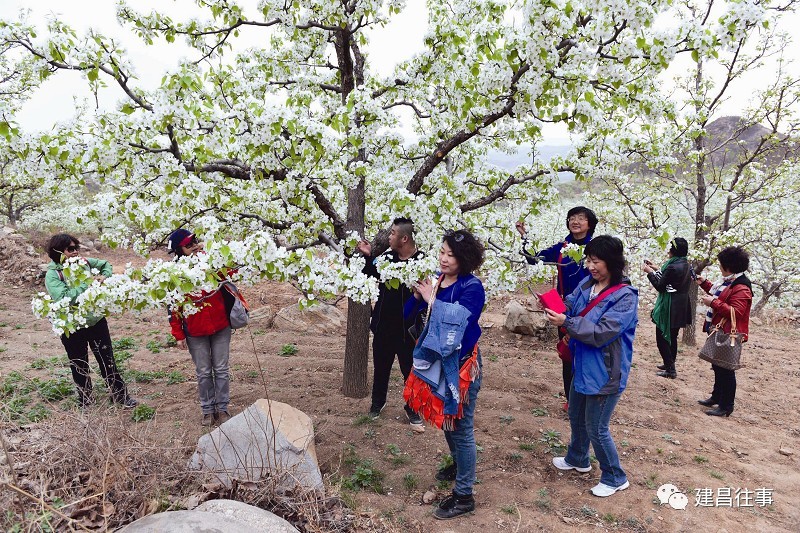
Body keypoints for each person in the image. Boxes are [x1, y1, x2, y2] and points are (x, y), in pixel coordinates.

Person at [543, 235, 638, 497]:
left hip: (605, 371)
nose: (590, 266)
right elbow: (571, 304)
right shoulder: (588, 283)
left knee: (597, 427)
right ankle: (578, 458)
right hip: (582, 364)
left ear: (612, 263)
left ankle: (615, 476)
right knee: (576, 414)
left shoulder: (625, 297)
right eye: (589, 260)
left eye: (596, 261)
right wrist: (552, 306)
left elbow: (602, 333)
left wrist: (567, 322)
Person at [403, 229, 486, 520]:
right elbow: (406, 315)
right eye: (442, 252)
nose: (444, 258)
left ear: (465, 258)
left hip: (462, 367)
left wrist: (431, 301)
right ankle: (458, 465)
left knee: (461, 428)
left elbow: (460, 322)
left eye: (451, 254)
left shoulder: (472, 287)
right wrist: (417, 297)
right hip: (439, 365)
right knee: (446, 421)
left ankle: (465, 496)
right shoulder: (437, 281)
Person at [516, 206, 598, 409]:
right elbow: (534, 258)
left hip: (592, 308)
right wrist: (525, 237)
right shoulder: (562, 247)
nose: (575, 221)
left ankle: (589, 399)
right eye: (572, 218)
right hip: (564, 308)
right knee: (568, 353)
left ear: (590, 224)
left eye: (581, 218)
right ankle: (572, 401)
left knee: (588, 353)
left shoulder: (597, 248)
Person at [44, 234, 137, 409]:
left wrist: (104, 276)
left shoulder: (83, 262)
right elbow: (63, 297)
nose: (75, 252)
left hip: (95, 321)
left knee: (107, 360)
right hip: (72, 326)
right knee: (79, 364)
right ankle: (86, 400)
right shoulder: (53, 274)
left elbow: (104, 265)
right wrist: (87, 284)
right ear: (58, 251)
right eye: (70, 249)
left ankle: (120, 395)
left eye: (76, 248)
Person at [357, 217, 425, 432]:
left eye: (393, 233)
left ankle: (412, 408)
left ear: (404, 238)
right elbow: (370, 274)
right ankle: (377, 404)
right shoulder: (386, 258)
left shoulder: (422, 263)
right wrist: (368, 258)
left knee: (410, 371)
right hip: (384, 325)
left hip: (409, 330)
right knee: (381, 367)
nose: (389, 236)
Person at [167, 229, 232, 426]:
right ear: (179, 250)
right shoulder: (174, 274)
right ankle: (207, 409)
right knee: (203, 371)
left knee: (221, 369)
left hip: (220, 325)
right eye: (189, 245)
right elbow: (173, 306)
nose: (194, 245)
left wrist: (215, 252)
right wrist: (178, 334)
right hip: (195, 330)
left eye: (195, 241)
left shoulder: (210, 260)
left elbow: (232, 270)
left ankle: (222, 409)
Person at [696, 246, 752, 417]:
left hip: (729, 333)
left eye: (721, 264)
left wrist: (712, 303)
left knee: (726, 369)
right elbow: (723, 294)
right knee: (717, 365)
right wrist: (704, 283)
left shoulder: (742, 287)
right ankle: (716, 396)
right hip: (721, 330)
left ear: (729, 267)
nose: (719, 267)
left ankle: (726, 406)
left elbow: (736, 312)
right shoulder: (731, 282)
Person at [643, 237, 693, 379]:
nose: (668, 250)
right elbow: (670, 279)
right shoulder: (685, 264)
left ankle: (670, 370)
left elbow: (660, 286)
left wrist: (649, 272)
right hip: (681, 304)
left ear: (673, 250)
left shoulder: (672, 266)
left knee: (662, 338)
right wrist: (655, 268)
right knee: (672, 336)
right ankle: (669, 363)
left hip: (670, 305)